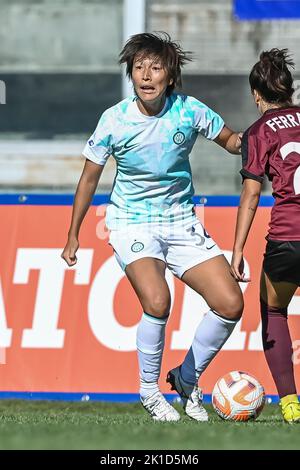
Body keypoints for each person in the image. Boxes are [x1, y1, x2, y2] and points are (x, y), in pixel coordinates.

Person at [62, 32, 243, 422]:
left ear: (170, 77)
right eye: (139, 67)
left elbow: (231, 140)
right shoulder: (114, 120)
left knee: (230, 303)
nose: (146, 75)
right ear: (131, 74)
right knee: (158, 301)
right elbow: (89, 179)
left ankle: (186, 378)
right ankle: (149, 392)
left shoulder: (189, 110)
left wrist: (261, 138)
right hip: (131, 223)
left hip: (180, 220)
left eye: (155, 67)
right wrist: (73, 233)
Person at [231, 48, 300, 423]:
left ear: (256, 94)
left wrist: (237, 249)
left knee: (274, 309)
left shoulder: (258, 132)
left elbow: (252, 193)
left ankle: (290, 404)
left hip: (288, 237)